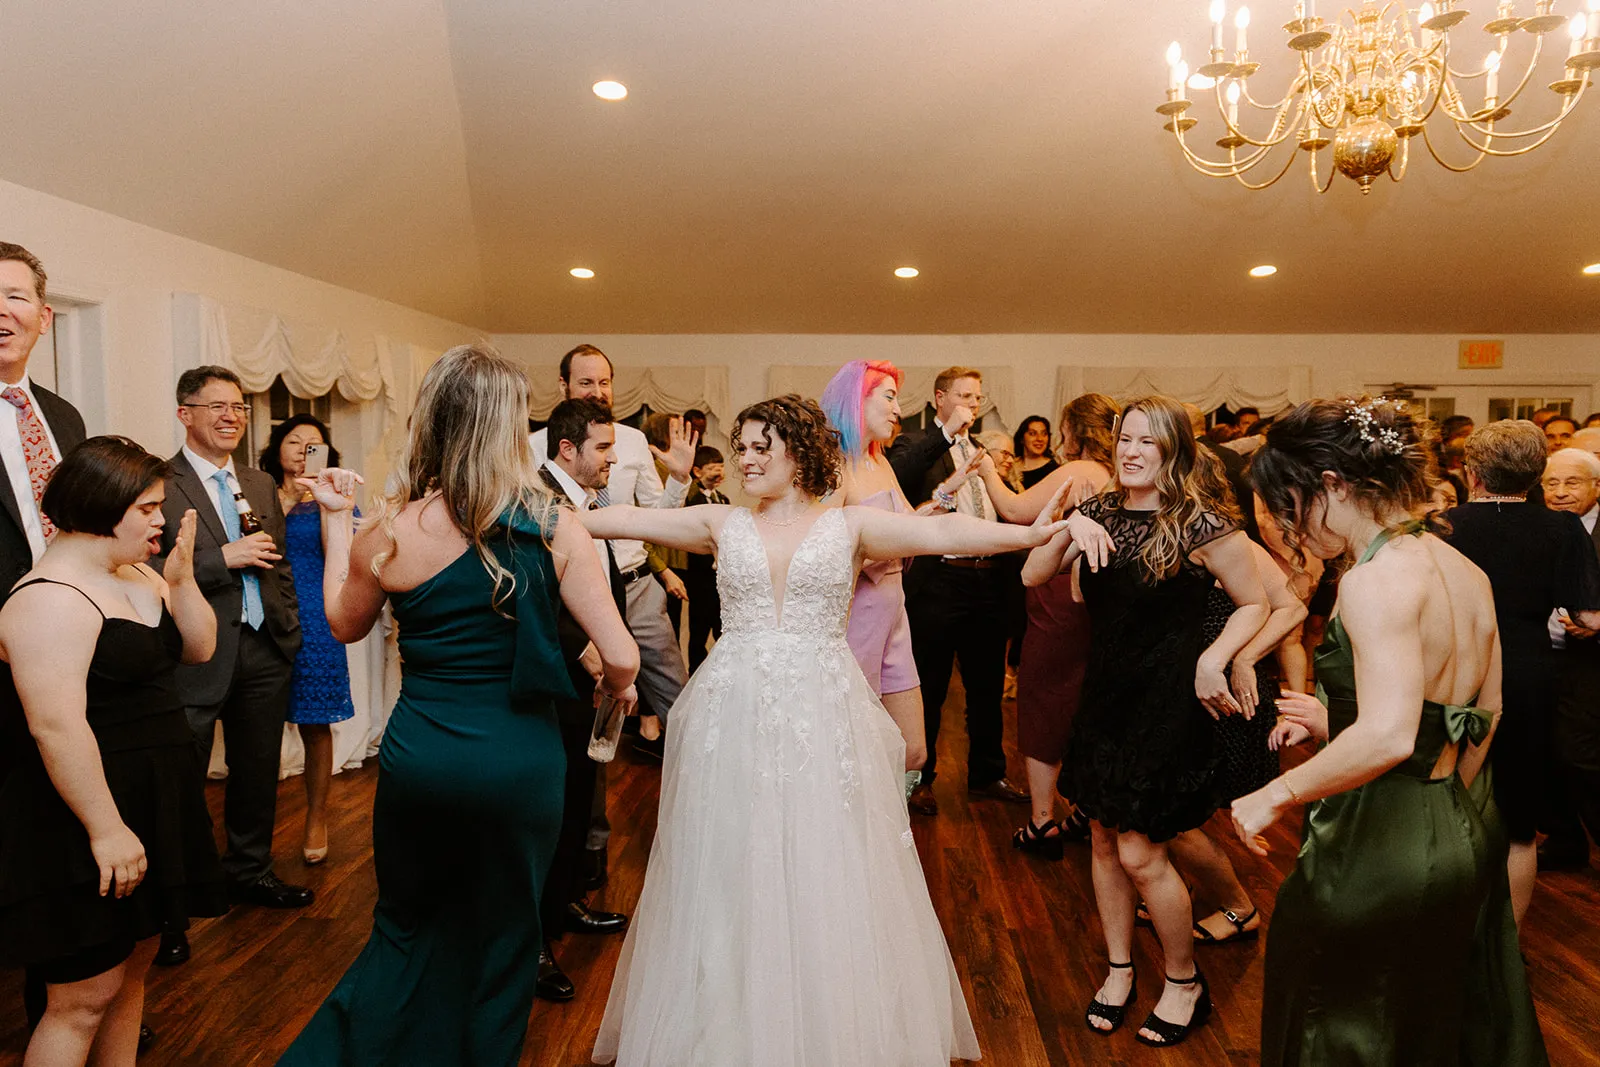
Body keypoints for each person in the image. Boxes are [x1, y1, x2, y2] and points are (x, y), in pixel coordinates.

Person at [586, 394, 1074, 1065]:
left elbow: (943, 536)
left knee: (825, 857)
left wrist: (1027, 534)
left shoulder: (848, 528)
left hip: (822, 712)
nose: (748, 459)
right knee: (731, 859)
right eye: (743, 448)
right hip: (732, 716)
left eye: (763, 446)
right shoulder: (719, 521)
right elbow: (620, 518)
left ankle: (824, 1022)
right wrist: (535, 510)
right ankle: (727, 1016)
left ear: (800, 452)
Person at [277, 344, 638, 1067]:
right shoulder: (555, 525)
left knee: (407, 927)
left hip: (424, 758)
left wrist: (338, 520)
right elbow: (623, 654)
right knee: (507, 939)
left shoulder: (392, 531)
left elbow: (343, 624)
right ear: (511, 430)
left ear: (432, 423)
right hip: (520, 761)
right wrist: (613, 684)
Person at [1236, 397, 1549, 1067]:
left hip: (1375, 843)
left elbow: (1388, 734)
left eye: (1288, 504)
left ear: (1330, 485)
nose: (1290, 528)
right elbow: (1480, 714)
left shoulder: (1374, 581)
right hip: (1457, 826)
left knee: (1337, 1021)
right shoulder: (1464, 569)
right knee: (1424, 1023)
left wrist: (1274, 795)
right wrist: (1433, 800)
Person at [1022, 395, 1269, 1048]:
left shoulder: (1202, 523)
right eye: (1125, 439)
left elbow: (1257, 602)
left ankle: (1185, 980)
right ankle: (1120, 969)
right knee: (1103, 841)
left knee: (1141, 850)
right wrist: (1068, 531)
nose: (1131, 451)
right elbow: (1030, 571)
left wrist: (1216, 657)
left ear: (1173, 452)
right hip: (1104, 697)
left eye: (1148, 443)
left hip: (1166, 705)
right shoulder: (1096, 510)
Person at [0, 436, 227, 1067]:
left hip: (153, 793)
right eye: (149, 508)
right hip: (84, 812)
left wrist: (180, 582)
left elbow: (199, 650)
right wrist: (106, 830)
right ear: (105, 506)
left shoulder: (137, 574)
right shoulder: (47, 597)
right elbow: (56, 726)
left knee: (132, 977)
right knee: (81, 996)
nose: (160, 520)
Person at [155, 366, 310, 968]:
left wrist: (287, 633)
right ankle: (172, 907)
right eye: (214, 405)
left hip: (264, 647)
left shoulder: (259, 482)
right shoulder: (159, 483)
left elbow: (280, 563)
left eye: (238, 407)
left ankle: (249, 870)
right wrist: (224, 556)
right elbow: (152, 569)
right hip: (196, 651)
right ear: (184, 413)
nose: (229, 416)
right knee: (180, 783)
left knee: (257, 771)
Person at [1442, 420, 1600, 927]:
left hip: (1453, 670)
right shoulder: (1561, 528)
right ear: (1536, 475)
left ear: (1472, 472)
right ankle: (1504, 944)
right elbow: (1589, 618)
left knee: (1448, 802)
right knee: (1518, 822)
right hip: (1528, 674)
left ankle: (1452, 933)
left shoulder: (1443, 526)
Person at [0, 242, 94, 1036]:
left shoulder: (61, 416)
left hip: (71, 662)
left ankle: (59, 1004)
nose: (2, 311)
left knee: (54, 832)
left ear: (44, 315)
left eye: (16, 296)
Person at [530, 346, 695, 762]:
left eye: (605, 382)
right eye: (586, 382)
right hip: (571, 597)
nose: (598, 391)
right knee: (578, 715)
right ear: (564, 385)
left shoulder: (634, 441)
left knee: (679, 694)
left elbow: (655, 520)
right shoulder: (532, 446)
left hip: (634, 587)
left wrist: (678, 479)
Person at [820, 360, 978, 788]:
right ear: (856, 401)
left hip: (895, 616)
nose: (898, 408)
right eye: (888, 397)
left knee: (913, 752)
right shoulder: (834, 469)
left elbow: (909, 529)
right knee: (851, 753)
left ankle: (885, 834)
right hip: (857, 621)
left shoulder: (880, 463)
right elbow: (824, 554)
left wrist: (945, 494)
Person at [979, 393, 1118, 854]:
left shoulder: (1081, 471)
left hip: (1062, 598)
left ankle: (1042, 822)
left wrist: (985, 472)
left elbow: (1016, 510)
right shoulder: (1120, 474)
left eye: (1063, 428)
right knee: (1083, 698)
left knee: (1043, 700)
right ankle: (1083, 809)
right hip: (1097, 601)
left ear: (1076, 430)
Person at [887, 366, 1028, 814]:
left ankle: (988, 774)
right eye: (965, 395)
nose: (973, 403)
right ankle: (919, 780)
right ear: (940, 398)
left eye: (978, 397)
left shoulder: (981, 450)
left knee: (986, 685)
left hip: (987, 579)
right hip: (938, 581)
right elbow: (899, 475)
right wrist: (945, 433)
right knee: (927, 685)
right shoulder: (917, 444)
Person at [534, 398, 635, 1004]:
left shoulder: (585, 503)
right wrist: (585, 652)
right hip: (561, 676)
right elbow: (536, 592)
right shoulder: (538, 501)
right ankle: (536, 941)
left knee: (581, 795)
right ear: (566, 449)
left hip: (596, 675)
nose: (612, 458)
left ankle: (566, 900)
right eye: (602, 447)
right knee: (553, 806)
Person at [259, 415, 354, 866]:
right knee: (258, 722)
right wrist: (284, 499)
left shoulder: (334, 497)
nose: (301, 450)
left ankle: (316, 817)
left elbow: (345, 553)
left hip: (317, 617)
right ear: (277, 448)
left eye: (313, 444)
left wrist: (321, 498)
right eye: (293, 441)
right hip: (265, 612)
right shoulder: (258, 492)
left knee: (316, 724)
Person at [1538, 448, 1600, 870]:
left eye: (1571, 483)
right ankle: (1564, 841)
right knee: (1541, 754)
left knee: (1580, 755)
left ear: (1597, 486)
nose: (1560, 493)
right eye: (1551, 483)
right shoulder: (1538, 528)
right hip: (1539, 659)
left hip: (1591, 664)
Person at [682, 445, 727, 671]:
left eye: (721, 467)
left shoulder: (724, 499)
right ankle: (696, 675)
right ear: (697, 472)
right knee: (698, 634)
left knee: (723, 631)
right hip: (699, 580)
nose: (718, 472)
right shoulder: (691, 500)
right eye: (712, 468)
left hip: (720, 580)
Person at [1013, 415, 1059, 489]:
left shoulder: (1054, 470)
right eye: (1032, 433)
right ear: (1022, 438)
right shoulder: (1010, 465)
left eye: (1044, 434)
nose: (1040, 439)